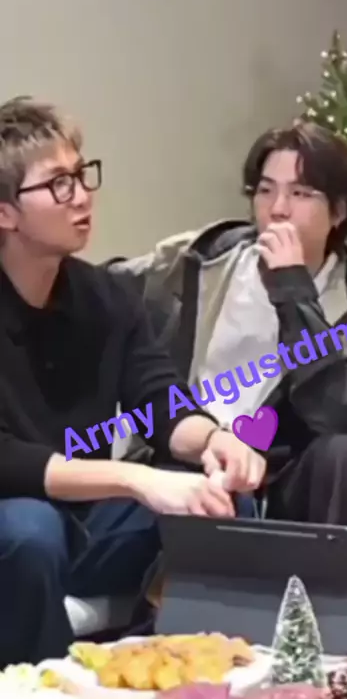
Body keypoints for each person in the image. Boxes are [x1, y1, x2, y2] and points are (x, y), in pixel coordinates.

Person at [0, 96, 266, 667]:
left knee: (219, 500)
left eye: (81, 175)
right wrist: (137, 479)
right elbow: (7, 460)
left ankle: (192, 673)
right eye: (58, 184)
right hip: (16, 523)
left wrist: (214, 439)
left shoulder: (106, 296)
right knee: (29, 529)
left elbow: (159, 397)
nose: (82, 196)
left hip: (86, 519)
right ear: (5, 213)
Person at [109, 120, 347, 574]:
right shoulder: (202, 258)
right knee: (205, 492)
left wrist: (293, 292)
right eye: (265, 191)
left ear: (339, 212)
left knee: (346, 457)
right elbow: (104, 287)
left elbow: (346, 416)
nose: (278, 209)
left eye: (301, 193)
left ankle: (344, 613)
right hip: (192, 459)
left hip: (291, 482)